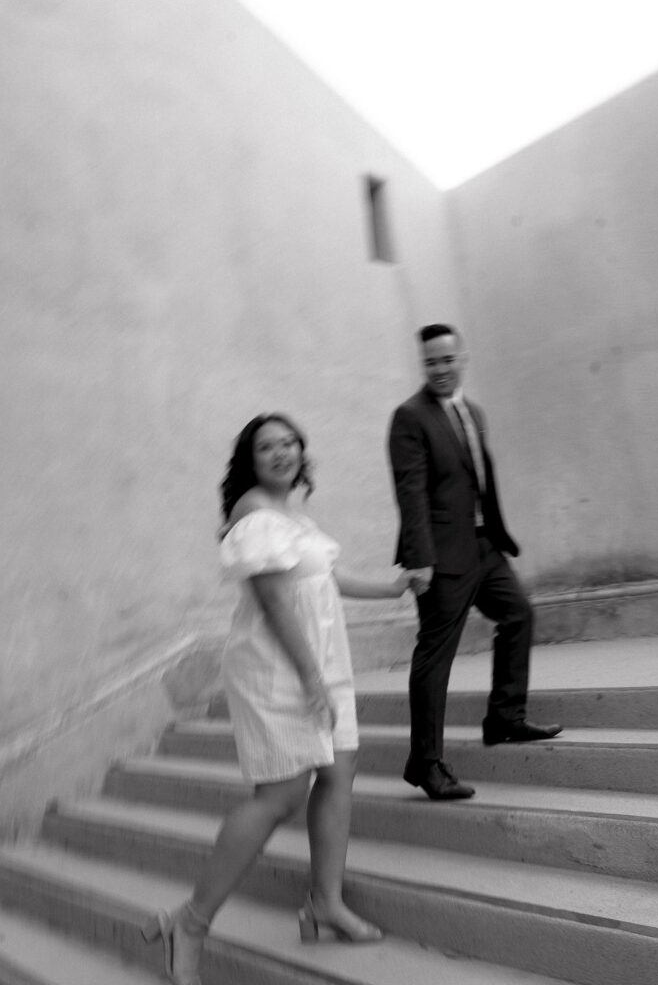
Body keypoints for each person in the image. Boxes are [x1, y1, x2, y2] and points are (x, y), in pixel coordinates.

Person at [144, 412, 409, 985]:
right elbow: (273, 603)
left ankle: (325, 902)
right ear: (250, 458)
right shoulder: (253, 513)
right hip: (277, 668)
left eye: (290, 442)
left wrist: (392, 588)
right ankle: (189, 923)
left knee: (340, 772)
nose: (282, 452)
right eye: (268, 446)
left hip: (321, 660)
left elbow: (325, 580)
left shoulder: (292, 512)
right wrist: (311, 678)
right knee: (282, 795)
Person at [387, 324, 562, 802]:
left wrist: (496, 537)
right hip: (441, 558)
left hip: (485, 547)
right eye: (430, 363)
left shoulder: (473, 412)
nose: (439, 369)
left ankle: (505, 717)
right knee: (435, 657)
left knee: (519, 614)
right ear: (422, 366)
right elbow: (412, 493)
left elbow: (477, 480)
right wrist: (421, 560)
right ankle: (425, 762)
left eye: (446, 360)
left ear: (462, 358)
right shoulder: (409, 417)